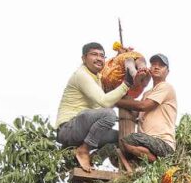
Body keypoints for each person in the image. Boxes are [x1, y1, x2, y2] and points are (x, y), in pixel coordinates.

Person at [56, 41, 138, 172]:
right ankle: (84, 150)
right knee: (109, 114)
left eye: (102, 56)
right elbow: (105, 102)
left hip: (84, 130)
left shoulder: (98, 77)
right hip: (69, 128)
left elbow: (110, 71)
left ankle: (92, 159)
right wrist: (127, 83)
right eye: (94, 54)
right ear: (84, 58)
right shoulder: (81, 75)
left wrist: (121, 57)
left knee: (122, 139)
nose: (99, 58)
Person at [116, 54, 177, 163]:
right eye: (153, 64)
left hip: (163, 144)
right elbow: (134, 113)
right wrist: (126, 86)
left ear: (167, 71)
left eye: (161, 66)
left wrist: (115, 101)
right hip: (147, 144)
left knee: (129, 140)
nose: (156, 67)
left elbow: (143, 106)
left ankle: (159, 163)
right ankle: (152, 160)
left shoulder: (165, 87)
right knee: (118, 149)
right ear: (149, 68)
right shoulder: (147, 93)